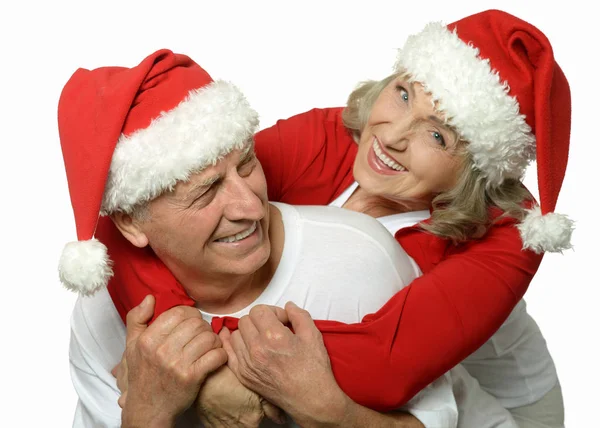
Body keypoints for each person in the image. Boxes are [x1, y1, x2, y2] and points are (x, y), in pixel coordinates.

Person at [59, 49, 517, 427]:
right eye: (207, 191)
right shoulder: (106, 312)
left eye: (247, 165)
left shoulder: (367, 256)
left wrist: (325, 410)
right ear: (131, 225)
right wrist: (148, 412)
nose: (251, 206)